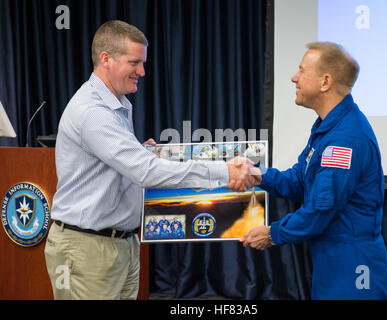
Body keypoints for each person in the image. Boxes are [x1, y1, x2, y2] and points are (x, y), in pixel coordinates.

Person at [44, 20, 255, 300]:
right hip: (88, 250)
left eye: (142, 63)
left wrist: (138, 151)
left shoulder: (115, 105)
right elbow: (146, 173)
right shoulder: (94, 112)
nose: (142, 72)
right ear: (106, 59)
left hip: (119, 245)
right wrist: (224, 171)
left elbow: (117, 165)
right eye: (135, 63)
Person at [240, 42, 387, 300]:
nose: (293, 78)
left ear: (325, 82)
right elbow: (300, 180)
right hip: (332, 261)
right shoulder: (329, 127)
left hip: (353, 266)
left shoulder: (345, 138)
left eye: (301, 71)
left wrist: (272, 233)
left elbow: (321, 210)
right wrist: (259, 174)